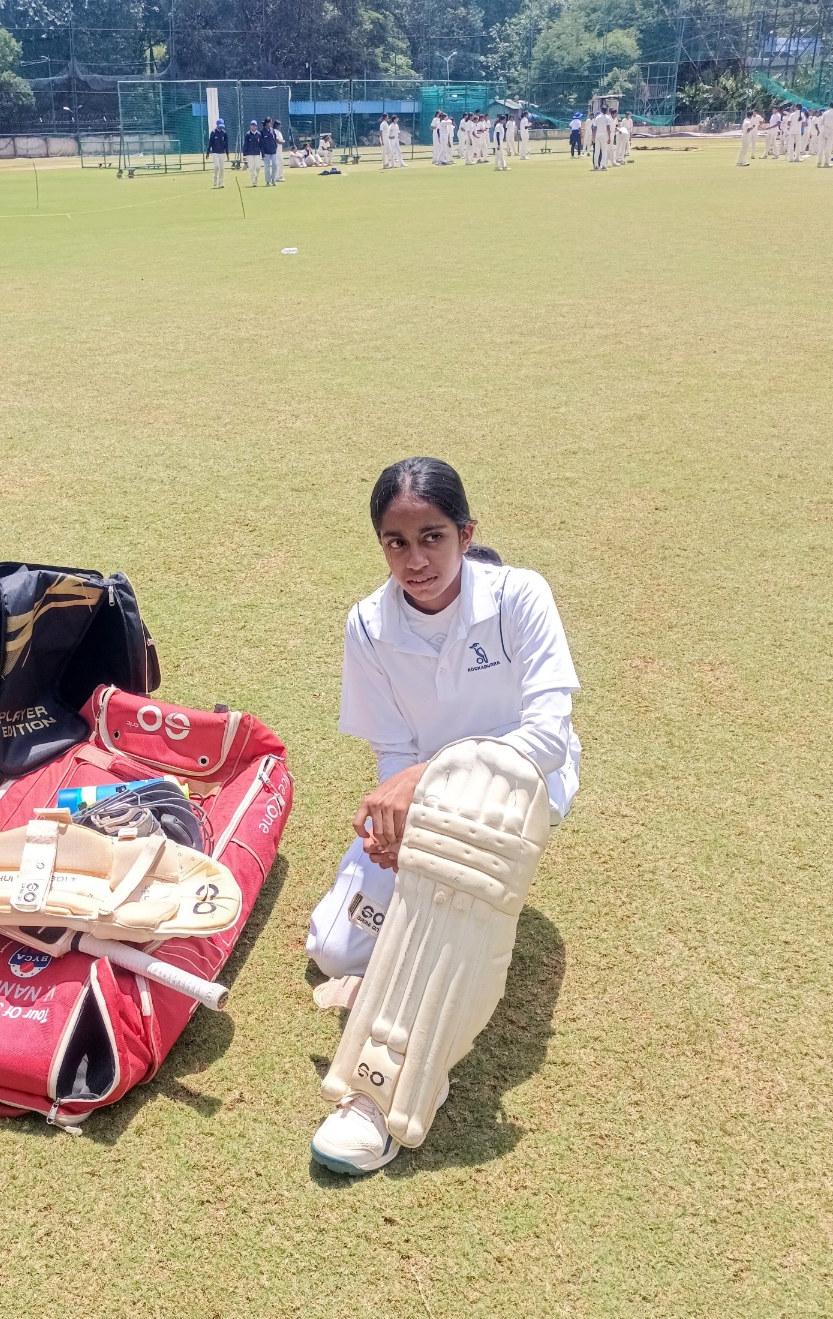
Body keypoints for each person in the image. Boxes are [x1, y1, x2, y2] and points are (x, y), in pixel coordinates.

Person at [306, 456, 581, 1175]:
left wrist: (422, 785)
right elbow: (393, 749)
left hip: (520, 787)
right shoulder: (369, 624)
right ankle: (419, 939)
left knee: (449, 898)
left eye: (433, 537)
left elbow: (547, 737)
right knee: (334, 949)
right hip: (426, 795)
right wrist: (399, 827)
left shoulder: (519, 595)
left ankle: (388, 1093)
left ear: (466, 533)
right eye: (396, 543)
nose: (416, 560)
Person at [205, 117, 229, 188]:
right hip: (215, 152)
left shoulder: (224, 133)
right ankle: (215, 178)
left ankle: (220, 183)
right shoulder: (213, 133)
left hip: (222, 152)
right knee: (217, 166)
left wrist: (227, 153)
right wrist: (208, 153)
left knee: (222, 168)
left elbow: (226, 144)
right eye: (220, 125)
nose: (221, 127)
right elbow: (210, 143)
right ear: (217, 125)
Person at [816, 102, 833, 168]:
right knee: (828, 147)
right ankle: (826, 163)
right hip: (831, 130)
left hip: (824, 129)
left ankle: (819, 162)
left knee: (821, 147)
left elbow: (821, 122)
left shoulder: (825, 113)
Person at [592, 105, 613, 171]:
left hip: (598, 134)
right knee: (604, 150)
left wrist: (593, 137)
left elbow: (594, 128)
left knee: (597, 151)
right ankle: (603, 165)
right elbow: (608, 128)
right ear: (606, 110)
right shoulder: (607, 117)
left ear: (601, 110)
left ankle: (596, 166)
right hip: (604, 135)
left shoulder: (597, 117)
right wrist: (609, 137)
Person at [260, 118, 279, 185]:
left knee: (275, 166)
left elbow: (275, 139)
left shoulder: (272, 130)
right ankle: (267, 181)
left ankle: (273, 179)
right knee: (267, 168)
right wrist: (262, 154)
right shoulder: (262, 132)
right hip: (266, 152)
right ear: (267, 123)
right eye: (270, 123)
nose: (271, 124)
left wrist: (275, 146)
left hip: (273, 151)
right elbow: (261, 144)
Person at [242, 120, 262, 185]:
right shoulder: (247, 134)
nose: (253, 127)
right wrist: (244, 155)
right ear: (250, 126)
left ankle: (255, 177)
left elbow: (261, 145)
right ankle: (253, 182)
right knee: (251, 168)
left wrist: (263, 154)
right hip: (249, 154)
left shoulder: (259, 134)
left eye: (254, 125)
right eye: (252, 125)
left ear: (256, 126)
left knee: (258, 167)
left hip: (257, 153)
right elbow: (245, 145)